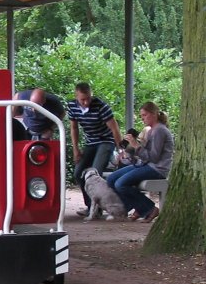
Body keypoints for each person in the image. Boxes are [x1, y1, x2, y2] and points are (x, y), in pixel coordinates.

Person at [106, 102, 173, 223]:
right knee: (111, 179)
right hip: (146, 165)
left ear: (154, 114)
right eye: (141, 116)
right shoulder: (151, 131)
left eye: (145, 115)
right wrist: (129, 153)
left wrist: (136, 145)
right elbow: (144, 156)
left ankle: (149, 208)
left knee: (120, 184)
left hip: (157, 169)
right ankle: (138, 207)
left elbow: (154, 157)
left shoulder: (160, 131)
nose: (142, 119)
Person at [67, 82, 123, 217]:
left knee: (94, 173)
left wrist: (121, 149)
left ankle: (98, 208)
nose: (86, 102)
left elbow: (114, 129)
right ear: (76, 97)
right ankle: (91, 206)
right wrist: (76, 149)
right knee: (78, 173)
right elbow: (74, 128)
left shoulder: (101, 107)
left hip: (105, 141)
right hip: (90, 142)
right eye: (82, 99)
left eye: (88, 98)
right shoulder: (72, 106)